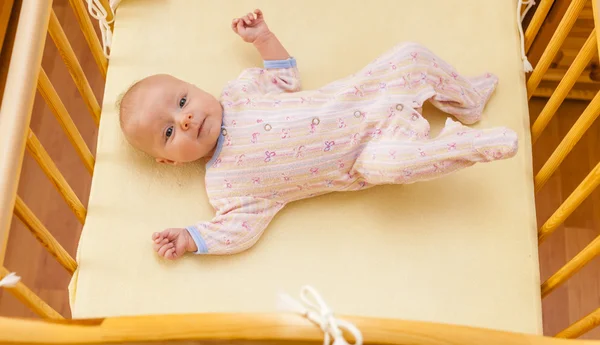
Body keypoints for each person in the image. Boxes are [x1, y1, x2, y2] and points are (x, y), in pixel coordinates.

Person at [117, 9, 518, 260]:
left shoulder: (240, 92)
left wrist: (263, 39)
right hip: (369, 155)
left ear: (196, 87)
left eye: (183, 100)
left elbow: (285, 76)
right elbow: (239, 232)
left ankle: (467, 99)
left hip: (366, 94)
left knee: (410, 54)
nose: (185, 119)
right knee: (393, 167)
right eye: (169, 131)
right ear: (168, 161)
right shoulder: (226, 187)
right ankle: (469, 146)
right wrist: (191, 238)